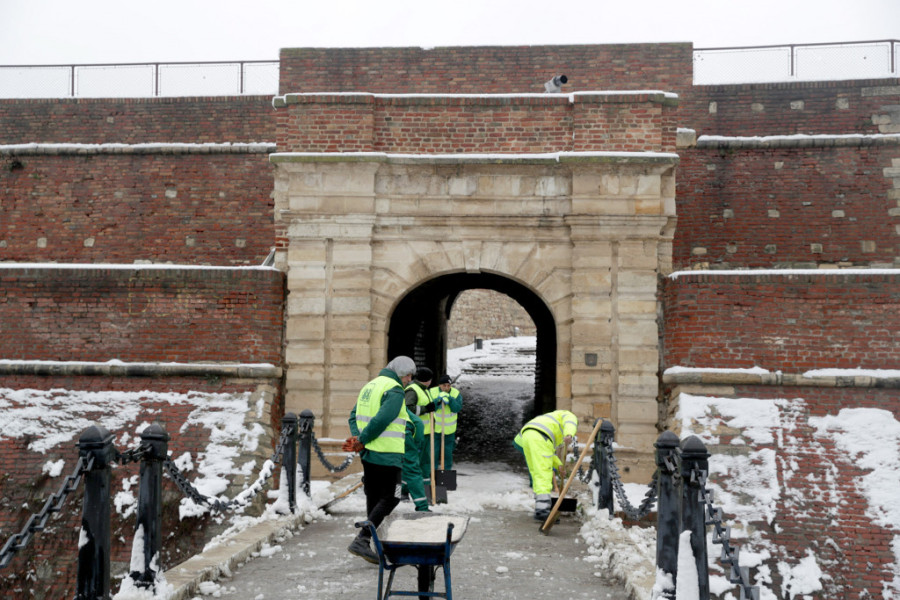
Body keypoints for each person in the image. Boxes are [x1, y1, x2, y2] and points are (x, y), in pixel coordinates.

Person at [344, 355, 416, 563]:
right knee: (394, 496)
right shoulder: (394, 390)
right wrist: (363, 439)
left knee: (374, 498)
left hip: (369, 455)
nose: (409, 380)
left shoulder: (370, 386)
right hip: (388, 455)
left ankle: (373, 547)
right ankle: (363, 538)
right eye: (409, 375)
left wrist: (359, 439)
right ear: (401, 373)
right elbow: (383, 419)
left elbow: (353, 415)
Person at [512, 409, 579, 521]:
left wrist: (559, 465)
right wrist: (569, 434)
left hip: (527, 436)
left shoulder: (551, 419)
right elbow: (570, 423)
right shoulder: (570, 416)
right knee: (544, 473)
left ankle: (540, 505)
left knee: (536, 472)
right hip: (541, 437)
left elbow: (548, 452)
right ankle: (542, 511)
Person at [425, 374, 463, 473]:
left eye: (448, 385)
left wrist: (450, 400)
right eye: (444, 385)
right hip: (435, 429)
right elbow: (429, 407)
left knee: (447, 453)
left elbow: (457, 408)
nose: (446, 388)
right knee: (434, 452)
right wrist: (438, 400)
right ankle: (432, 473)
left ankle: (446, 472)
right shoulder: (432, 392)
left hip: (449, 430)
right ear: (439, 385)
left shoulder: (455, 393)